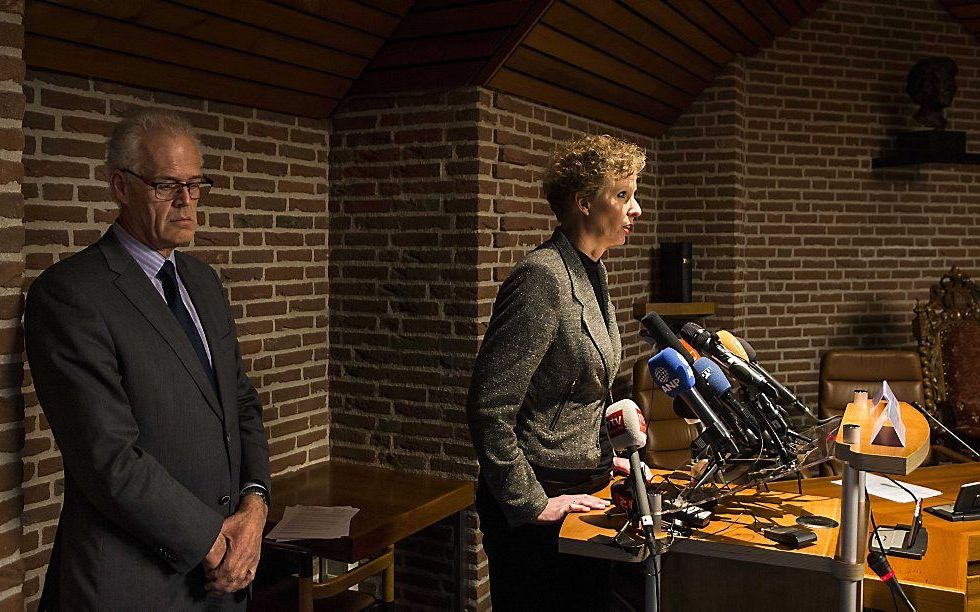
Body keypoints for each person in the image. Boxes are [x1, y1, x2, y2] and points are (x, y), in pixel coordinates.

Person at [25, 110, 271, 610]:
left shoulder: (204, 283)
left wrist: (255, 502)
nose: (186, 202)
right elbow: (107, 458)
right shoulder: (69, 294)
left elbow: (241, 403)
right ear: (120, 185)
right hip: (132, 583)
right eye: (166, 185)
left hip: (223, 578)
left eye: (196, 184)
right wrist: (211, 540)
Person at [466, 134, 645, 610]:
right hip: (539, 498)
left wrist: (605, 456)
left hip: (581, 482)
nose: (637, 209)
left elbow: (576, 389)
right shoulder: (542, 276)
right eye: (623, 195)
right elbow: (489, 406)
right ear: (585, 203)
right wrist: (532, 502)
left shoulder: (592, 271)